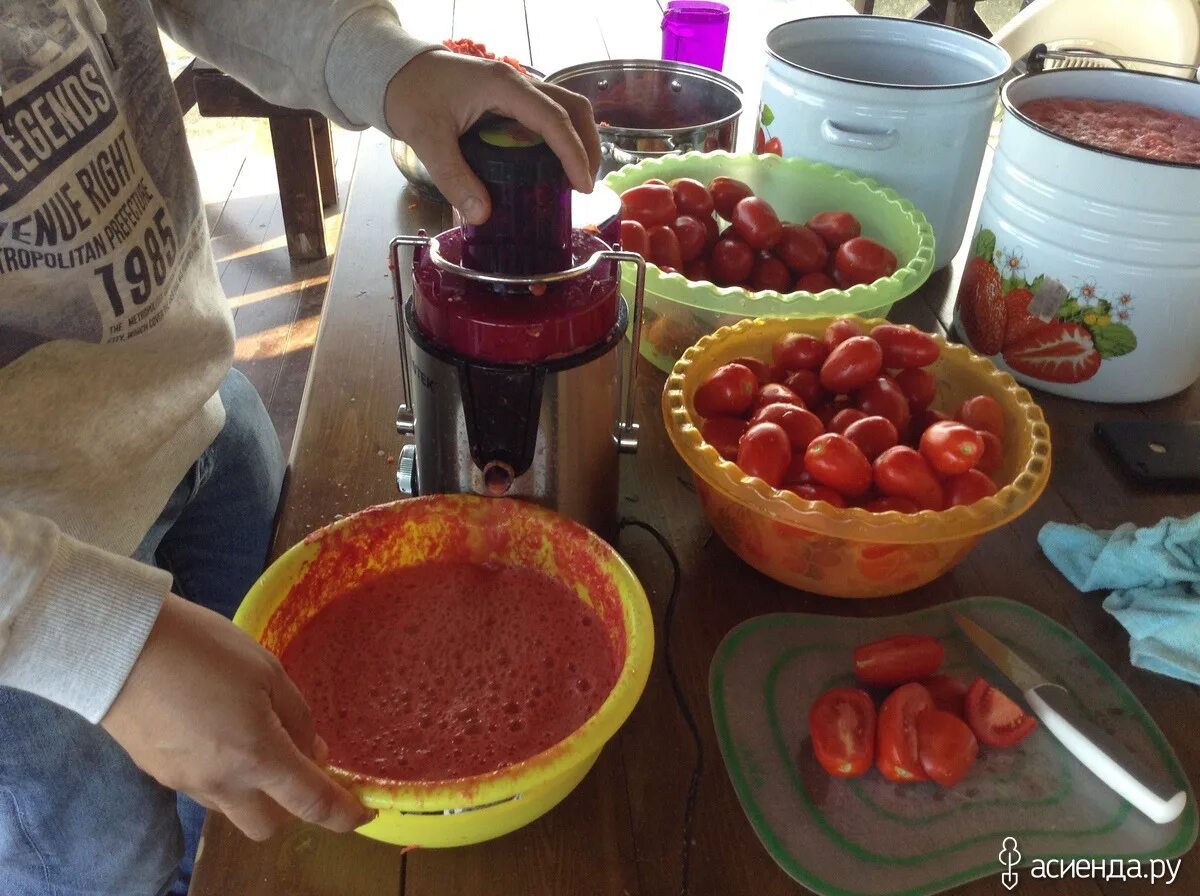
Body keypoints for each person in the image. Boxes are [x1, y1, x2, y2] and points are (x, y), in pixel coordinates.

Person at [0, 2, 602, 894]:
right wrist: (81, 637)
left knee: (252, 789)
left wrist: (388, 66)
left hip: (200, 406)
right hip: (31, 587)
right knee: (105, 864)